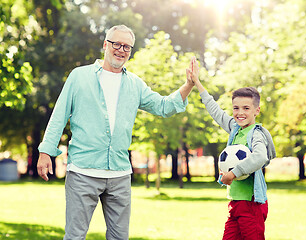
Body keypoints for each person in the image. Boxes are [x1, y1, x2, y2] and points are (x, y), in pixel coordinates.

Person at [37, 24, 194, 240]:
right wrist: (46, 151)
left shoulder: (135, 84)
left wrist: (188, 86)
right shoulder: (79, 77)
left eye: (127, 47)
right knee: (74, 236)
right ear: (105, 45)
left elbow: (163, 106)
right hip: (83, 171)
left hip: (119, 174)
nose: (121, 50)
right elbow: (59, 115)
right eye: (117, 44)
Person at [187, 58, 276, 240]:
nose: (240, 113)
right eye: (236, 108)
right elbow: (216, 111)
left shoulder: (256, 134)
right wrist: (197, 83)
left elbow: (260, 156)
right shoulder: (235, 129)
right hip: (235, 204)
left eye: (246, 108)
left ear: (256, 111)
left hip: (251, 205)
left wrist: (234, 173)